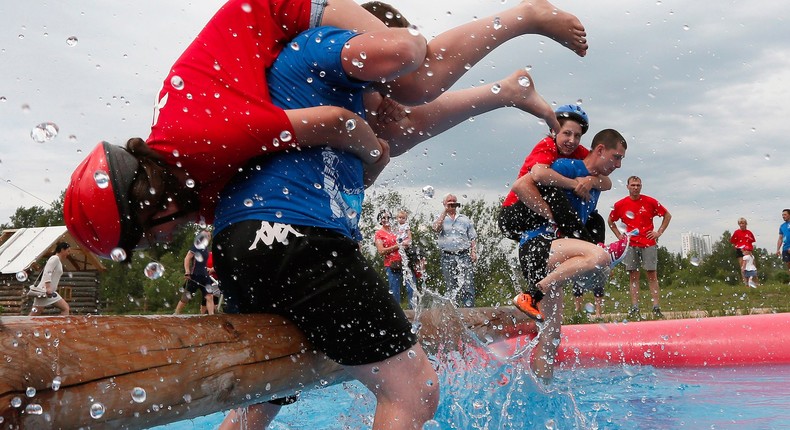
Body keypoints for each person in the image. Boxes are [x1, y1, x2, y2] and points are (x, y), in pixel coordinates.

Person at [211, 9, 571, 428]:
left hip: (241, 241)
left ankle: (509, 88)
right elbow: (415, 92)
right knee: (413, 389)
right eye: (388, 89)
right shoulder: (325, 47)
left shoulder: (309, 86)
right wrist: (524, 18)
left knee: (265, 396)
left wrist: (502, 93)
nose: (395, 105)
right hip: (296, 236)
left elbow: (397, 132)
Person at [64, 0, 589, 258]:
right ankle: (510, 90)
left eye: (146, 236)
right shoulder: (195, 188)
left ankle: (526, 14)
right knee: (398, 125)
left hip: (289, 8)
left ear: (149, 201)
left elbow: (336, 125)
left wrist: (373, 151)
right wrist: (376, 154)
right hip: (297, 55)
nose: (161, 242)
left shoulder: (199, 138)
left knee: (410, 76)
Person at [500, 106, 627, 319]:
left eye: (577, 135)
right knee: (556, 196)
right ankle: (593, 248)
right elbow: (526, 182)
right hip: (514, 213)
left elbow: (606, 182)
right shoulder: (549, 149)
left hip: (545, 240)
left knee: (551, 333)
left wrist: (591, 181)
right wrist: (573, 185)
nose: (572, 140)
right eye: (566, 133)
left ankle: (590, 249)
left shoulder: (578, 156)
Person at [608, 176, 672, 319]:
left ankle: (656, 307)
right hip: (631, 244)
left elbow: (667, 215)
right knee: (633, 276)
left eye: (638, 185)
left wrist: (659, 232)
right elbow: (611, 220)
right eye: (633, 185)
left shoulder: (650, 201)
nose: (635, 187)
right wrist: (619, 235)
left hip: (648, 242)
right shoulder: (620, 204)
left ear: (641, 186)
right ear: (627, 187)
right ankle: (635, 307)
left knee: (652, 275)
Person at [433, 194, 477, 308]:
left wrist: (473, 252)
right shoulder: (440, 217)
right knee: (451, 286)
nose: (452, 203)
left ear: (457, 203)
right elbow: (436, 229)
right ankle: (454, 312)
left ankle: (469, 311)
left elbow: (472, 237)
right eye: (449, 201)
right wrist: (445, 212)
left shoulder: (464, 219)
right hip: (447, 256)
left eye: (454, 201)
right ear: (444, 203)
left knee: (468, 284)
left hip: (464, 255)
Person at [374, 210, 415, 308]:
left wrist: (408, 242)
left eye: (388, 217)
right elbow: (381, 251)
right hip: (391, 265)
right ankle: (397, 315)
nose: (386, 219)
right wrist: (398, 246)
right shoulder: (379, 234)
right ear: (380, 220)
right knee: (395, 291)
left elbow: (409, 239)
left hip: (405, 262)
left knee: (412, 290)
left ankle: (414, 314)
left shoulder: (397, 229)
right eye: (383, 218)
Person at [175, 230, 217, 315]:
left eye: (209, 236)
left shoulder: (206, 249)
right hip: (195, 275)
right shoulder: (196, 246)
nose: (207, 237)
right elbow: (187, 258)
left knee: (209, 296)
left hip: (205, 276)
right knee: (186, 297)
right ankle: (176, 314)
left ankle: (211, 316)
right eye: (205, 235)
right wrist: (187, 272)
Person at [29, 242, 71, 316]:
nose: (68, 253)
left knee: (65, 308)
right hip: (44, 291)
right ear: (62, 250)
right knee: (35, 314)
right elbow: (47, 272)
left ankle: (59, 326)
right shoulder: (55, 258)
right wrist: (48, 287)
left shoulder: (58, 260)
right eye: (68, 251)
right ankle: (23, 326)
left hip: (51, 292)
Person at [730, 217, 756, 284]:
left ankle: (754, 282)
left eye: (743, 223)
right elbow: (733, 242)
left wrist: (749, 250)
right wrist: (739, 249)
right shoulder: (737, 232)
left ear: (746, 224)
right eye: (740, 223)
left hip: (749, 251)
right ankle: (746, 282)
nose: (741, 225)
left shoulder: (749, 232)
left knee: (752, 266)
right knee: (743, 267)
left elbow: (751, 241)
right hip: (740, 251)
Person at [776, 209, 790, 277]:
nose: (783, 216)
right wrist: (778, 249)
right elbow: (780, 238)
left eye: (785, 215)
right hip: (785, 248)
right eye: (782, 215)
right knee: (788, 265)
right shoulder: (782, 226)